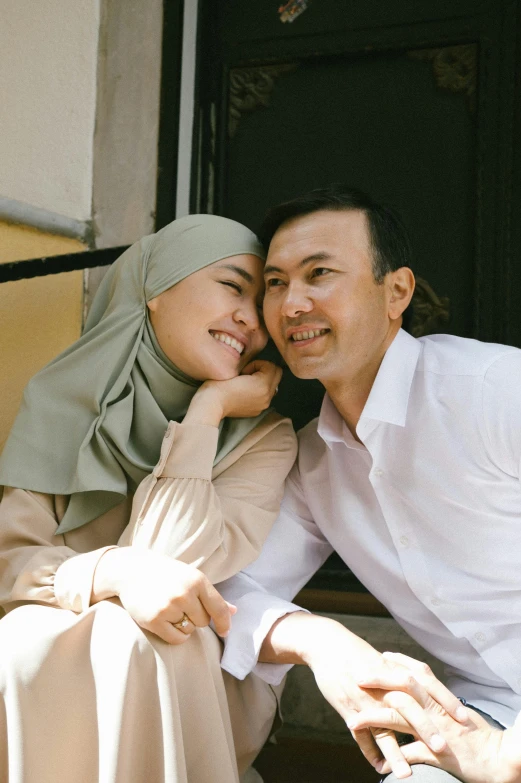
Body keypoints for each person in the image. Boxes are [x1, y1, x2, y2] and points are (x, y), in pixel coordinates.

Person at [216, 186, 521, 782]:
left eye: (319, 273)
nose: (292, 304)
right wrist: (318, 639)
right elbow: (230, 588)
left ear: (398, 292)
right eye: (275, 283)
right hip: (481, 718)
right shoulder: (313, 461)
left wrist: (512, 758)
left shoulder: (496, 390)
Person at [0, 214, 299, 783]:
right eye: (233, 286)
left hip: (192, 668)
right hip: (60, 655)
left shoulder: (265, 437)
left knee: (132, 636)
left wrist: (207, 413)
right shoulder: (61, 400)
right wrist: (117, 571)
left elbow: (172, 568)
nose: (249, 321)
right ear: (154, 291)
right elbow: (11, 563)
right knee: (23, 639)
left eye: (260, 307)